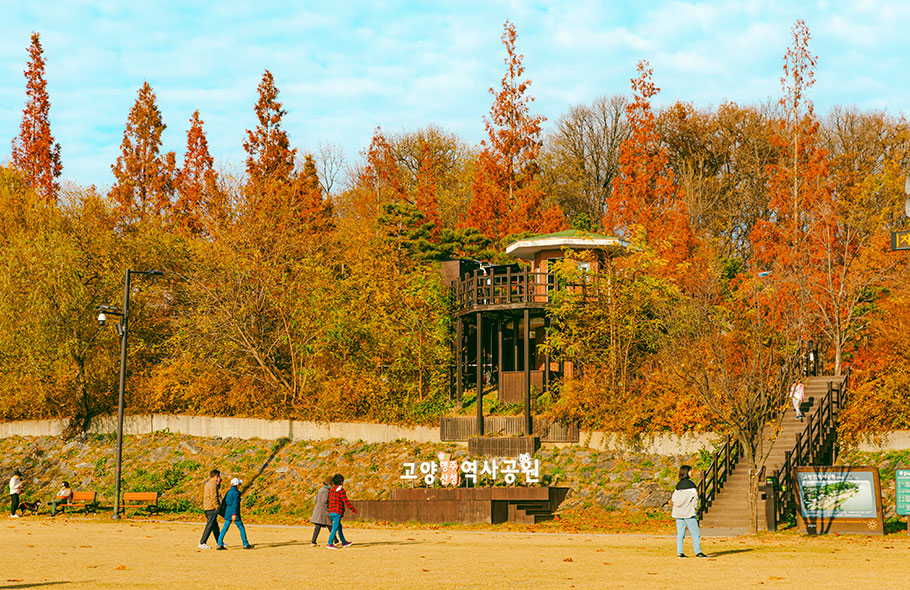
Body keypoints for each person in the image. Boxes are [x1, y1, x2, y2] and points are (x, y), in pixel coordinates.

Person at [671, 465, 707, 558]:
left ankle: (680, 552)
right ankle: (698, 552)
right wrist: (695, 508)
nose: (692, 473)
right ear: (687, 472)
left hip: (678, 513)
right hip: (688, 513)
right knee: (695, 533)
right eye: (690, 471)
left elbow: (674, 499)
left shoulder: (678, 486)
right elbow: (695, 499)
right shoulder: (691, 485)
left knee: (680, 533)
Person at [216, 478, 253, 550]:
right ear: (237, 485)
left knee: (224, 528)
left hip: (227, 512)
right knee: (241, 528)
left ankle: (219, 544)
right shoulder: (236, 493)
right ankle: (245, 543)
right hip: (234, 512)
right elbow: (235, 504)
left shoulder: (229, 491)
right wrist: (234, 514)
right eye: (239, 484)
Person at [326, 473, 357, 549]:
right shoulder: (341, 490)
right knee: (334, 528)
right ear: (341, 482)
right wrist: (353, 510)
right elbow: (346, 501)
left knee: (339, 526)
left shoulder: (331, 490)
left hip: (331, 511)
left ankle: (344, 542)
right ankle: (330, 543)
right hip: (337, 512)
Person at [198, 469, 222, 549]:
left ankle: (219, 542)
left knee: (215, 526)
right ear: (216, 476)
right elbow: (214, 497)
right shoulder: (212, 484)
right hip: (211, 507)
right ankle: (202, 542)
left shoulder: (210, 484)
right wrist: (217, 507)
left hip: (208, 507)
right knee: (210, 525)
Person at [310, 477, 332, 547]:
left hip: (318, 509)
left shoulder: (321, 489)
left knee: (318, 526)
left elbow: (316, 499)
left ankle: (313, 541)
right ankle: (336, 540)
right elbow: (324, 501)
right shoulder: (326, 490)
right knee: (329, 525)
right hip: (323, 510)